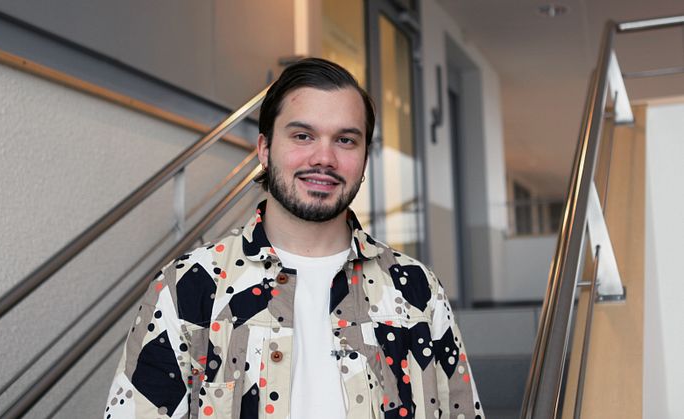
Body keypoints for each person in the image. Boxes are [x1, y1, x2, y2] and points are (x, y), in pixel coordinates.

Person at [104, 58, 483, 419]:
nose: (324, 158)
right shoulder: (189, 286)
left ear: (365, 158)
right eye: (303, 135)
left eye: (346, 140)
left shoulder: (417, 290)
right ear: (265, 150)